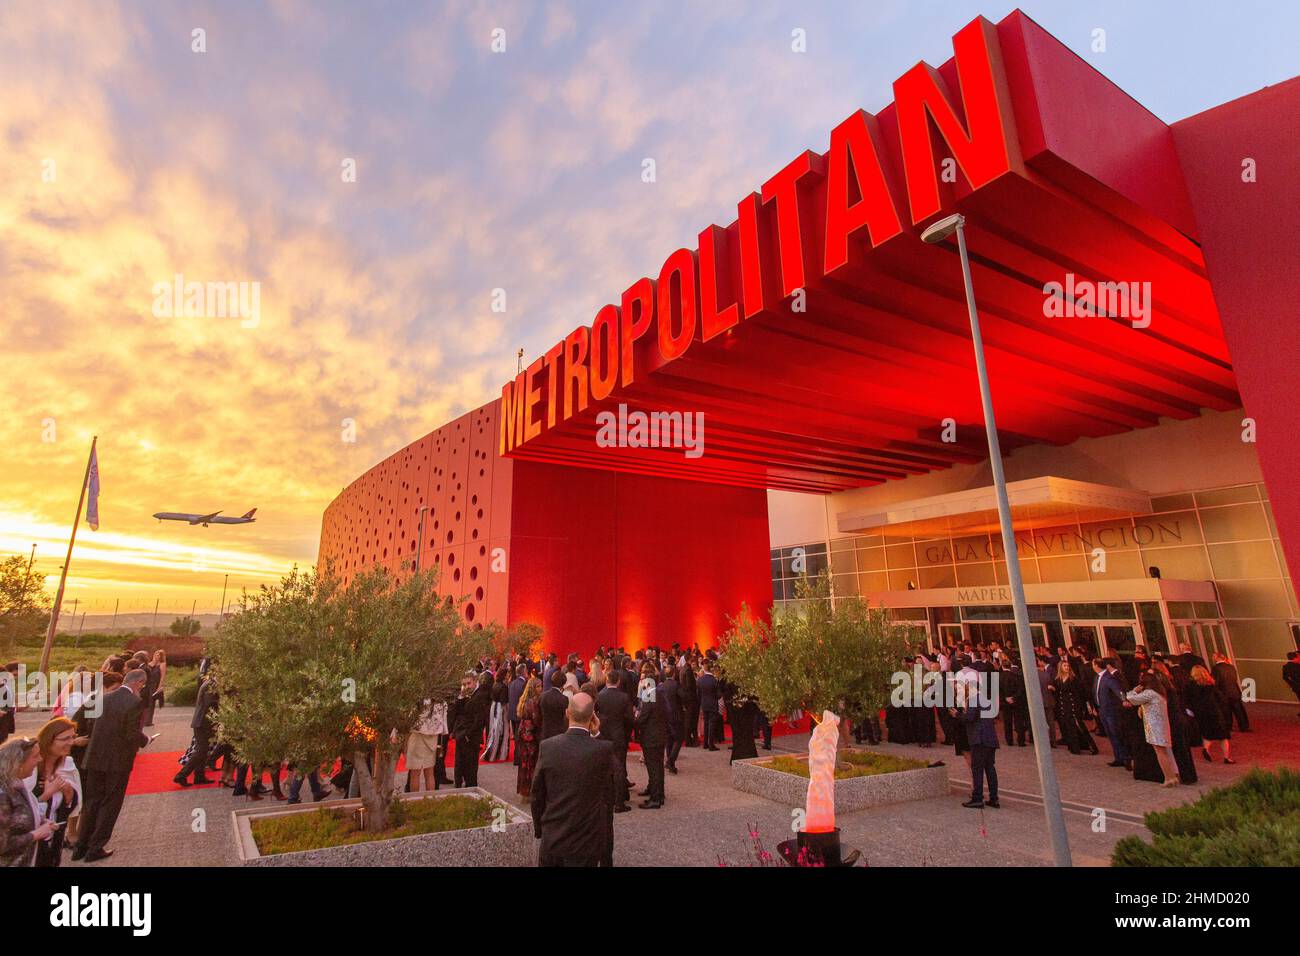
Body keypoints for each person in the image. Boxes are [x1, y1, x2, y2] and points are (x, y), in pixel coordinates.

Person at [530, 692, 617, 867]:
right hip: (586, 841)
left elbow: (537, 793)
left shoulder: (548, 747)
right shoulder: (602, 749)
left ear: (567, 713)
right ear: (593, 717)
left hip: (553, 836)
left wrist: (540, 828)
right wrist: (597, 733)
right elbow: (616, 787)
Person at [25, 718, 83, 866]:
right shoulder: (30, 768)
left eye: (73, 737)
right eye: (65, 738)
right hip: (30, 846)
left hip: (53, 841)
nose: (71, 742)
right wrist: (47, 794)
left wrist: (69, 794)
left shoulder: (67, 764)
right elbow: (19, 810)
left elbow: (73, 805)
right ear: (49, 740)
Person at [1, 737, 59, 866]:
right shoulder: (3, 794)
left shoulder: (17, 785)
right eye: (35, 756)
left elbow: (18, 818)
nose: (40, 760)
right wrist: (36, 834)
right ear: (18, 762)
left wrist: (40, 821)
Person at [1125, 670, 1180, 787]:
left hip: (1155, 727)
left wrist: (1134, 690)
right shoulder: (1160, 693)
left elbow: (1131, 699)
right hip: (1162, 725)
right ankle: (1172, 776)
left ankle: (1168, 778)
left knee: (1160, 752)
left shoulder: (1150, 693)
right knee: (1164, 752)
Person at [595, 669, 633, 812]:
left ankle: (607, 797)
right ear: (618, 681)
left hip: (604, 735)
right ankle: (619, 801)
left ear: (606, 680)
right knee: (620, 767)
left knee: (606, 767)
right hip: (618, 735)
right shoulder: (624, 697)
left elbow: (594, 714)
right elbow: (629, 719)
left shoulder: (599, 696)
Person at [956, 686, 999, 809]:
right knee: (990, 768)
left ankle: (977, 798)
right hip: (990, 739)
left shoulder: (974, 699)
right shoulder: (984, 699)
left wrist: (957, 714)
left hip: (979, 739)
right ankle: (994, 798)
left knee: (977, 769)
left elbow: (970, 717)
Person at [174, 674, 218, 787]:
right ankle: (182, 775)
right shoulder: (211, 685)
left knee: (203, 749)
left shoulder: (210, 683)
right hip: (203, 722)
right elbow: (210, 703)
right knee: (202, 749)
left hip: (202, 721)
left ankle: (199, 776)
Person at [451, 672, 491, 788]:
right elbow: (458, 713)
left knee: (471, 770)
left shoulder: (481, 695)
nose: (466, 686)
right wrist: (461, 697)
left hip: (470, 738)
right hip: (461, 735)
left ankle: (471, 790)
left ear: (475, 681)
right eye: (463, 684)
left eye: (468, 683)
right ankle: (458, 788)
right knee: (459, 766)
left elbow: (480, 720)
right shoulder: (466, 694)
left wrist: (468, 735)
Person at [1187, 664, 1234, 764]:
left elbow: (1188, 699)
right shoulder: (1210, 685)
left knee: (1207, 734)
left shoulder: (1190, 686)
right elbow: (1220, 698)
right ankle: (1226, 757)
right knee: (1223, 736)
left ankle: (1206, 749)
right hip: (1213, 712)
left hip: (1200, 713)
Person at [1050, 661, 1097, 755]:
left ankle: (1091, 747)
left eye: (1068, 665)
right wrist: (1052, 689)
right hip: (1063, 706)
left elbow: (1080, 693)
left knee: (1079, 726)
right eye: (1065, 666)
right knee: (1068, 728)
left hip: (1073, 706)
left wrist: (1083, 706)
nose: (1067, 667)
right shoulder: (1057, 680)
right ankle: (1074, 747)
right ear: (1060, 667)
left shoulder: (1074, 679)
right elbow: (1057, 692)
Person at [634, 673, 667, 809]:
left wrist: (634, 723)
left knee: (653, 768)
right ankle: (659, 794)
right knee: (658, 767)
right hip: (660, 736)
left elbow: (643, 718)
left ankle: (655, 799)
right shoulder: (659, 695)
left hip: (651, 738)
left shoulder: (649, 696)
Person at [1094, 658, 1131, 768]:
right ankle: (1118, 757)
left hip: (1110, 710)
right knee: (1110, 734)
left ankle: (1125, 758)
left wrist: (1124, 700)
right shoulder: (1097, 677)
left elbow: (1118, 690)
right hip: (1102, 709)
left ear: (1096, 665)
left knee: (1116, 734)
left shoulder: (1108, 677)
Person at [405, 696, 442, 792]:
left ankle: (414, 801)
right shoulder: (439, 698)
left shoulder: (418, 697)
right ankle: (429, 800)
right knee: (429, 772)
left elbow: (409, 717)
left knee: (415, 773)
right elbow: (442, 719)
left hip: (417, 735)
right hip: (433, 736)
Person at [515, 676, 542, 799]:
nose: (540, 689)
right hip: (530, 736)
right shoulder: (533, 702)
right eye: (538, 686)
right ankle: (529, 791)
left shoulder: (523, 700)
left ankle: (524, 790)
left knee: (524, 764)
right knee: (530, 763)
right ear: (532, 688)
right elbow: (536, 720)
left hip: (522, 734)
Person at [1209, 653, 1249, 732]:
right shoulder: (1231, 667)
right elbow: (1234, 679)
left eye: (1213, 657)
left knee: (1226, 711)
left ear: (1217, 658)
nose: (1212, 658)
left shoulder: (1215, 668)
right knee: (1239, 710)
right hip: (1234, 691)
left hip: (1223, 693)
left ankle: (1228, 727)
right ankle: (1243, 726)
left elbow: (1215, 682)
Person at [481, 667, 511, 762]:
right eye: (507, 674)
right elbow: (504, 702)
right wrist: (507, 712)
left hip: (493, 708)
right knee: (501, 731)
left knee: (494, 731)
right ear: (504, 675)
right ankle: (498, 753)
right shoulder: (503, 687)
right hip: (500, 710)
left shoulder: (495, 684)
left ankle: (493, 751)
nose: (508, 676)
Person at [660, 665, 685, 773]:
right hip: (676, 715)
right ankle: (671, 761)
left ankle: (670, 763)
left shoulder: (661, 686)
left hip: (665, 715)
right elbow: (683, 696)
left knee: (669, 739)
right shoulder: (676, 685)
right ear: (674, 674)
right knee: (678, 739)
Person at [539, 669, 570, 741]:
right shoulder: (564, 699)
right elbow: (565, 718)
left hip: (545, 731)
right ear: (563, 683)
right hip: (558, 733)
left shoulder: (543, 696)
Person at [697, 662, 722, 751]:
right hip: (713, 704)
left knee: (706, 723)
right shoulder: (714, 680)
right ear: (711, 669)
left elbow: (698, 694)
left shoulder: (700, 680)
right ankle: (711, 744)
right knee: (711, 724)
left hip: (704, 704)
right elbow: (719, 694)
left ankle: (705, 744)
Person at [508, 666, 527, 766]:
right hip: (520, 713)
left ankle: (516, 758)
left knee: (516, 737)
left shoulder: (511, 683)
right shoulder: (524, 684)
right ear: (524, 672)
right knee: (520, 737)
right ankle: (519, 758)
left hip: (512, 713)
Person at [680, 659, 700, 746]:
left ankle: (688, 739)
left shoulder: (682, 669)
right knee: (691, 720)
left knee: (688, 719)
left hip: (686, 698)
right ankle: (689, 741)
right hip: (691, 698)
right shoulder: (688, 671)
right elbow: (689, 685)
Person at [1285, 651, 1300, 717]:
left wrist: (1291, 685)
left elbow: (1285, 677)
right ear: (1295, 658)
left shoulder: (1286, 667)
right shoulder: (1297, 666)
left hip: (1295, 687)